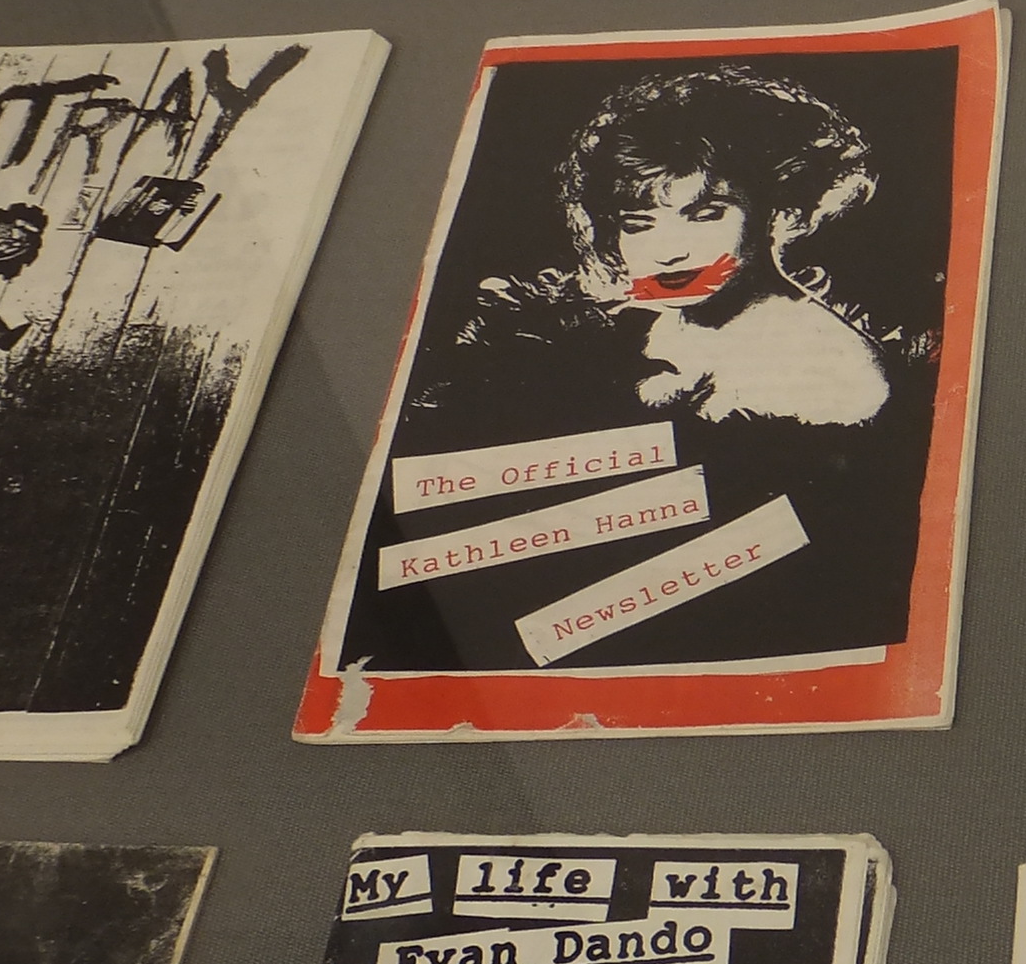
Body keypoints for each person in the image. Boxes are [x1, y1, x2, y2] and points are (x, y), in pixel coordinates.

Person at [369, 66, 931, 670]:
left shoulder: (837, 376)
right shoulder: (611, 333)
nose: (669, 249)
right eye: (638, 224)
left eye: (706, 214)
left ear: (780, 212)